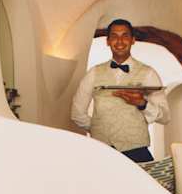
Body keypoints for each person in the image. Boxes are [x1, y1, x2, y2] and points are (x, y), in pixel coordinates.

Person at [71, 19, 170, 162]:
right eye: (114, 36)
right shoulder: (93, 73)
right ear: (108, 41)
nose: (120, 41)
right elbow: (77, 113)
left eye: (125, 36)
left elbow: (165, 116)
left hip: (137, 151)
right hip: (102, 151)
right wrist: (97, 129)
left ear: (133, 40)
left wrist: (142, 104)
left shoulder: (149, 73)